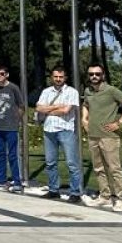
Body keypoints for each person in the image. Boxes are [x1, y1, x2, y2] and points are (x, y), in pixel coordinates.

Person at [81, 64, 122, 212]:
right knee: (98, 168)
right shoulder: (88, 91)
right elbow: (85, 104)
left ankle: (120, 199)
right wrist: (84, 119)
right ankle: (104, 196)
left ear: (102, 75)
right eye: (91, 74)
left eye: (97, 74)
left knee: (114, 169)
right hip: (93, 135)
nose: (94, 77)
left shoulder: (111, 91)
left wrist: (119, 122)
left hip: (109, 137)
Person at [36, 66, 81, 203]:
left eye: (61, 77)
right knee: (50, 162)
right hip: (49, 130)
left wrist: (47, 110)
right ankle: (53, 190)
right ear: (52, 77)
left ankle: (75, 192)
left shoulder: (72, 92)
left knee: (72, 163)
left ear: (65, 78)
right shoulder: (46, 91)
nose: (58, 79)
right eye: (55, 76)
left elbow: (66, 110)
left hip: (65, 129)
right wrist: (57, 106)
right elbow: (38, 108)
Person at [0, 63, 25, 192]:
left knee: (13, 155)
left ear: (7, 75)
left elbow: (21, 106)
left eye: (2, 74)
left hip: (10, 127)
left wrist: (16, 120)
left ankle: (17, 181)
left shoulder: (13, 88)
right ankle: (0, 180)